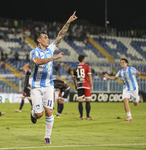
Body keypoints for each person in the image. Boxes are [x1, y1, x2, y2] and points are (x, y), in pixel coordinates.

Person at [30, 11, 77, 144]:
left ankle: (47, 137)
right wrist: (53, 58)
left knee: (49, 111)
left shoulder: (51, 48)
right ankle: (33, 113)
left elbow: (60, 35)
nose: (48, 39)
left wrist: (68, 22)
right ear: (39, 40)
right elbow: (38, 62)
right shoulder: (34, 52)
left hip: (48, 85)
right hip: (36, 86)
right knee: (39, 114)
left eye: (47, 37)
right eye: (45, 37)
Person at [73, 55, 94, 120]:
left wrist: (75, 85)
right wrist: (91, 84)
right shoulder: (87, 66)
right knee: (87, 100)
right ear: (83, 59)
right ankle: (88, 116)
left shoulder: (76, 67)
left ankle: (81, 116)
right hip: (86, 85)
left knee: (80, 100)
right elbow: (89, 76)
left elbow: (74, 77)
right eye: (85, 58)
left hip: (79, 85)